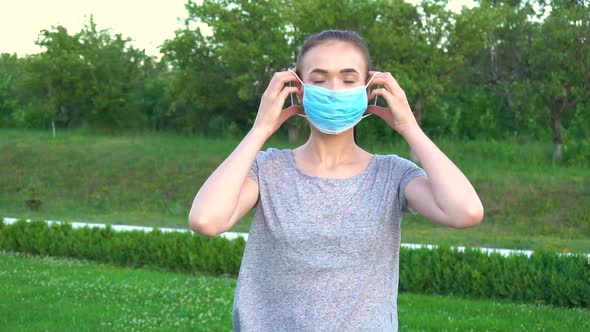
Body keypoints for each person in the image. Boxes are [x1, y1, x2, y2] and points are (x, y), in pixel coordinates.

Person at [188, 30, 484, 331]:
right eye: (318, 79)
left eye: (348, 79)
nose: (333, 90)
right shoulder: (268, 168)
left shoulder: (392, 174)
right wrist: (260, 129)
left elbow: (465, 212)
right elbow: (206, 220)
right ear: (298, 88)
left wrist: (410, 128)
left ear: (369, 87)